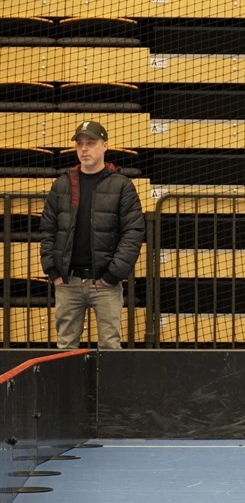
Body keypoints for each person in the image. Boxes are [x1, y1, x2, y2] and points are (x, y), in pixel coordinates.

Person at [39, 121, 145, 349]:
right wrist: (53, 271)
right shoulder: (62, 185)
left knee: (110, 349)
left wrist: (112, 275)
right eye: (80, 144)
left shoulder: (122, 186)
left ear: (105, 145)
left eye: (91, 143)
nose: (84, 149)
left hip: (105, 284)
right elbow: (47, 229)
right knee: (65, 350)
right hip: (68, 282)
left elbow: (133, 233)